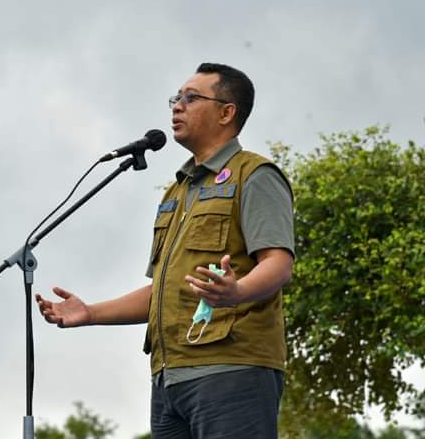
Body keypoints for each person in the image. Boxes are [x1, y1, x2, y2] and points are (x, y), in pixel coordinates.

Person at [36, 63, 295, 439]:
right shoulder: (178, 191)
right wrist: (91, 313)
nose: (177, 106)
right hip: (169, 379)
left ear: (226, 112)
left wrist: (236, 291)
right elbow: (163, 290)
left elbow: (278, 264)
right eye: (176, 98)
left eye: (191, 98)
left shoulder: (254, 175)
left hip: (231, 368)